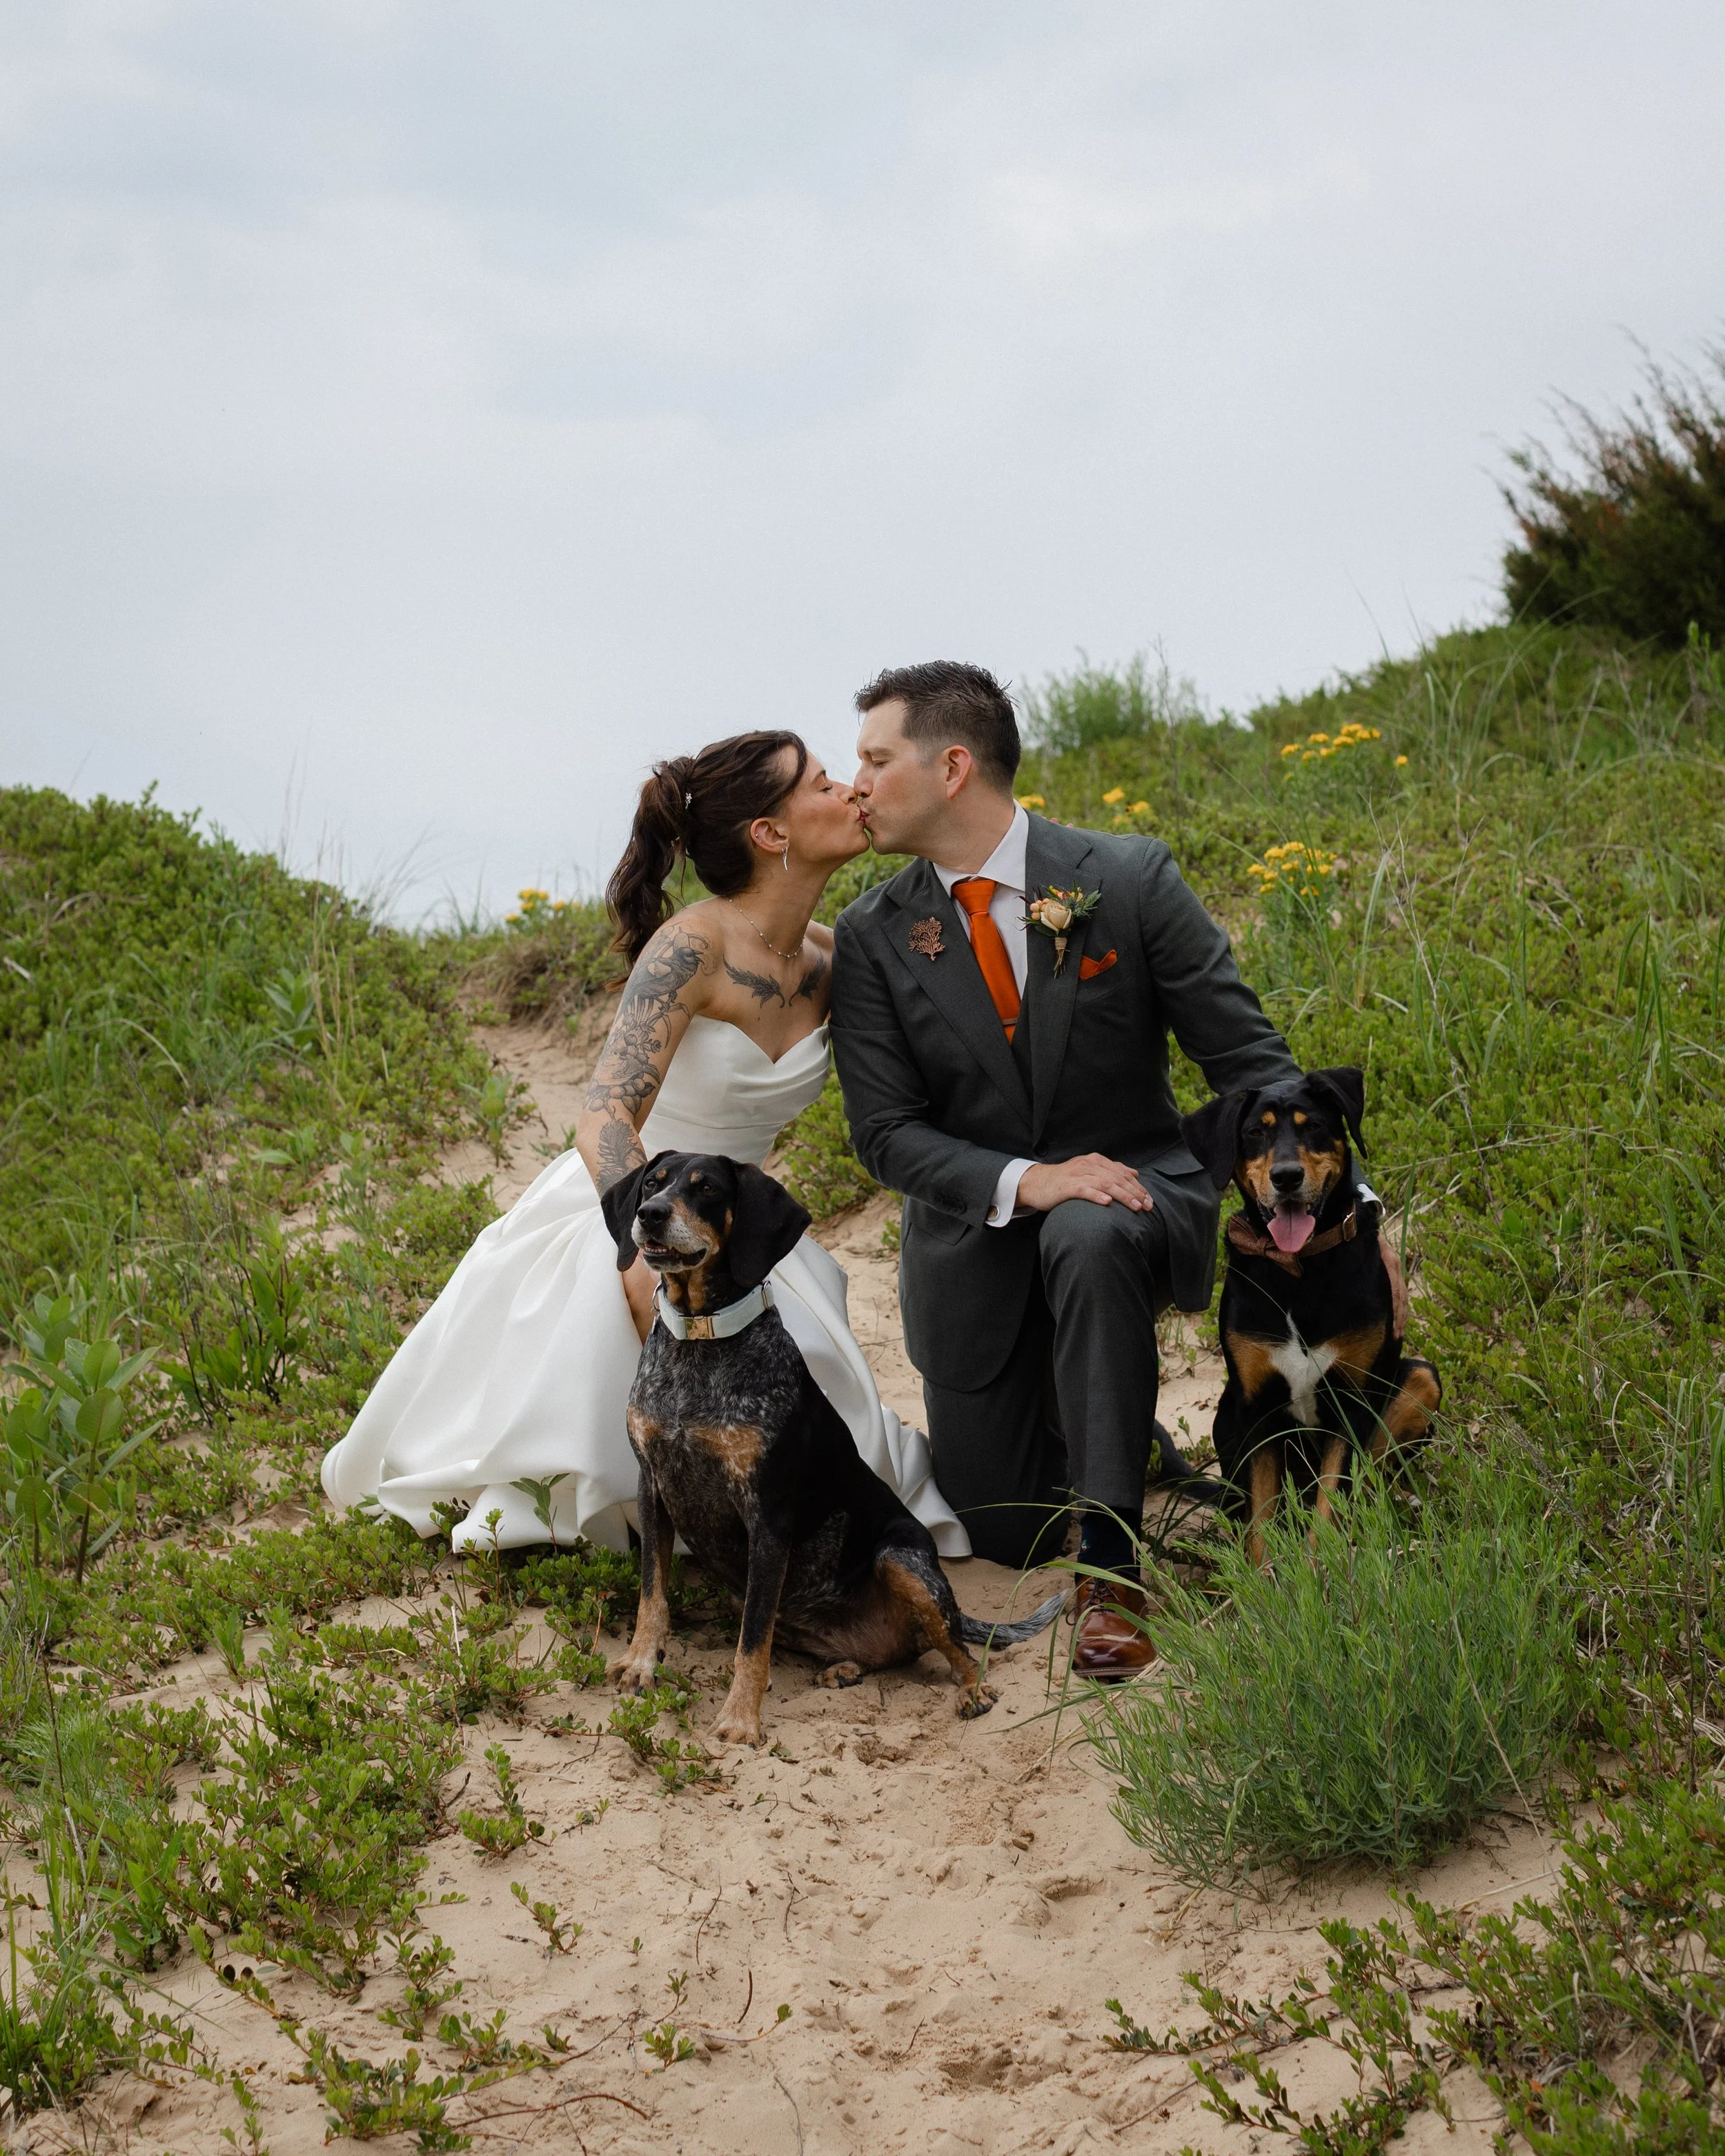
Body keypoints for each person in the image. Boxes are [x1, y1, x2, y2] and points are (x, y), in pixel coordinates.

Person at [322, 731, 966, 1559]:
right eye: (821, 783)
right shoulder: (692, 945)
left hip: (735, 1217)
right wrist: (640, 1247)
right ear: (770, 832)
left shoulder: (832, 958)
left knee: (828, 1431)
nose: (849, 790)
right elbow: (603, 1117)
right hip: (635, 1200)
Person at [830, 662, 1299, 1677]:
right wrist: (1025, 1179)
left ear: (952, 767)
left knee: (1090, 1227)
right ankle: (1122, 1443)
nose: (853, 782)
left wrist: (1349, 1205)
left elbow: (1247, 1060)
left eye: (874, 758)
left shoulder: (1126, 879)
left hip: (1133, 1194)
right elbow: (885, 1134)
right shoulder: (872, 936)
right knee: (1003, 1525)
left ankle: (1112, 1575)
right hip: (976, 1245)